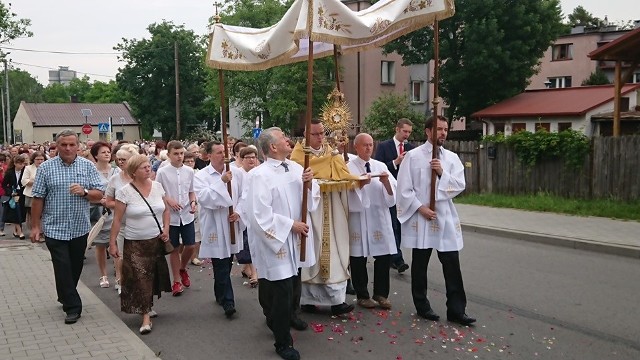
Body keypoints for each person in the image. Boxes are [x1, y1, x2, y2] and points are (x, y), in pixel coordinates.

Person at [396, 115, 476, 326]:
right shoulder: (412, 157)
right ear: (428, 131)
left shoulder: (451, 158)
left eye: (446, 129)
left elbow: (459, 184)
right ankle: (422, 305)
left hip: (444, 216)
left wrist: (441, 173)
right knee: (420, 264)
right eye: (439, 129)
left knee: (452, 264)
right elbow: (403, 189)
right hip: (422, 217)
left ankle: (457, 310)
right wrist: (420, 207)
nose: (443, 133)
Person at [245, 127, 317, 360]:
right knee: (282, 288)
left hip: (295, 238)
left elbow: (311, 200)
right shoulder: (259, 175)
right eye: (284, 138)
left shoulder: (296, 168)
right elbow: (258, 214)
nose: (289, 140)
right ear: (273, 147)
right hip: (275, 240)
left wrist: (310, 184)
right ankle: (282, 341)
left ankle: (287, 317)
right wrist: (290, 225)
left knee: (294, 281)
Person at [30, 129, 105, 325]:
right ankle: (73, 306)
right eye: (64, 145)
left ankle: (64, 294)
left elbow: (99, 194)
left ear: (78, 146)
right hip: (55, 227)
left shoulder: (88, 166)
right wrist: (36, 227)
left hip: (79, 227)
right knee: (62, 265)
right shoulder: (46, 168)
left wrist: (84, 191)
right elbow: (38, 198)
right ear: (57, 146)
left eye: (72, 144)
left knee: (74, 266)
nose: (68, 148)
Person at [290, 119, 361, 316]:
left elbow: (344, 175)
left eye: (322, 133)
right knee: (313, 249)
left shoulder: (331, 153)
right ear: (306, 135)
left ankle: (336, 300)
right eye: (315, 134)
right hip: (311, 210)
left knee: (335, 250)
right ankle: (307, 300)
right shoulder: (298, 156)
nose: (320, 137)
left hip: (332, 206)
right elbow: (295, 183)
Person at [108, 154, 172, 334]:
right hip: (135, 243)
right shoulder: (124, 192)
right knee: (140, 279)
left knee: (152, 276)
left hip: (156, 241)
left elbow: (165, 210)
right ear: (133, 172)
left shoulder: (158, 187)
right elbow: (118, 220)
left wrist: (166, 229)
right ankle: (145, 318)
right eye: (143, 167)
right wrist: (112, 243)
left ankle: (147, 304)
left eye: (148, 165)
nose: (148, 168)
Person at [193, 141, 244, 318]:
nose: (224, 155)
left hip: (231, 221)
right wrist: (221, 182)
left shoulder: (237, 173)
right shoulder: (201, 175)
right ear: (208, 155)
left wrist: (238, 212)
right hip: (214, 223)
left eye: (225, 151)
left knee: (226, 262)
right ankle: (229, 301)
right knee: (220, 262)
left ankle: (220, 291)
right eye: (219, 152)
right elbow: (205, 198)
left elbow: (245, 195)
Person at [347, 133, 397, 310]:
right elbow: (345, 194)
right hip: (359, 216)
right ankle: (362, 294)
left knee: (383, 254)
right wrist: (359, 185)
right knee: (358, 257)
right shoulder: (348, 168)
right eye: (365, 145)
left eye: (370, 145)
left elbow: (392, 196)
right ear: (356, 147)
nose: (368, 148)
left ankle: (381, 293)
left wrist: (385, 183)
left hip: (378, 216)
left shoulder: (380, 165)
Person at [155, 141, 197, 297]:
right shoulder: (163, 172)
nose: (179, 157)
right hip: (171, 216)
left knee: (191, 245)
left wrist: (193, 202)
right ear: (169, 154)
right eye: (176, 154)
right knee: (174, 248)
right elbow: (158, 192)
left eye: (181, 154)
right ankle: (176, 281)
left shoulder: (189, 171)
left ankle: (182, 267)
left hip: (186, 214)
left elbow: (192, 191)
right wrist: (168, 200)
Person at [373, 118, 415, 274]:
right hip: (389, 192)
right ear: (397, 129)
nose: (407, 135)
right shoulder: (384, 146)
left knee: (401, 226)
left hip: (405, 194)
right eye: (404, 131)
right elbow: (378, 168)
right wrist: (395, 162)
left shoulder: (411, 148)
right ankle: (398, 259)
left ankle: (393, 255)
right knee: (393, 224)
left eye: (409, 132)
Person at [104, 144, 140, 295]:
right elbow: (107, 201)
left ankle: (138, 283)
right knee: (121, 255)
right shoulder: (115, 179)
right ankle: (120, 279)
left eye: (124, 159)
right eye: (118, 159)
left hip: (140, 224)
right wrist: (122, 205)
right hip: (122, 224)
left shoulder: (141, 176)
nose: (120, 162)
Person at [90, 141, 119, 288]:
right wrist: (98, 199)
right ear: (96, 155)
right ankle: (103, 275)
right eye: (103, 152)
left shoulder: (117, 171)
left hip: (116, 212)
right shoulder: (91, 171)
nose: (107, 154)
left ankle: (119, 276)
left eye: (108, 151)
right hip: (100, 214)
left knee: (116, 244)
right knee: (101, 245)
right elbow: (87, 191)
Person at [235, 146, 259, 287]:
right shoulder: (238, 174)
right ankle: (254, 274)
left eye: (253, 157)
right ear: (241, 159)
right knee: (247, 244)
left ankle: (247, 269)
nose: (251, 160)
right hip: (242, 213)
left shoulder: (258, 173)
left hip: (255, 213)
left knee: (253, 243)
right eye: (248, 157)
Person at [21, 151, 46, 240]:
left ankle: (43, 232)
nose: (39, 161)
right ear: (33, 160)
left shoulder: (47, 168)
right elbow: (24, 181)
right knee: (34, 214)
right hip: (31, 194)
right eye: (37, 159)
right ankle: (35, 231)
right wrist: (37, 181)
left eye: (41, 159)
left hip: (44, 195)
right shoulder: (28, 168)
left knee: (44, 214)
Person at [2, 155, 27, 239]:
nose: (21, 165)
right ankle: (20, 232)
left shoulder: (25, 171)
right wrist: (9, 192)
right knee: (15, 212)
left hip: (22, 193)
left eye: (23, 163)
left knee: (21, 212)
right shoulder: (9, 172)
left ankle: (16, 230)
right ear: (15, 163)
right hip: (13, 194)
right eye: (19, 164)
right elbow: (4, 184)